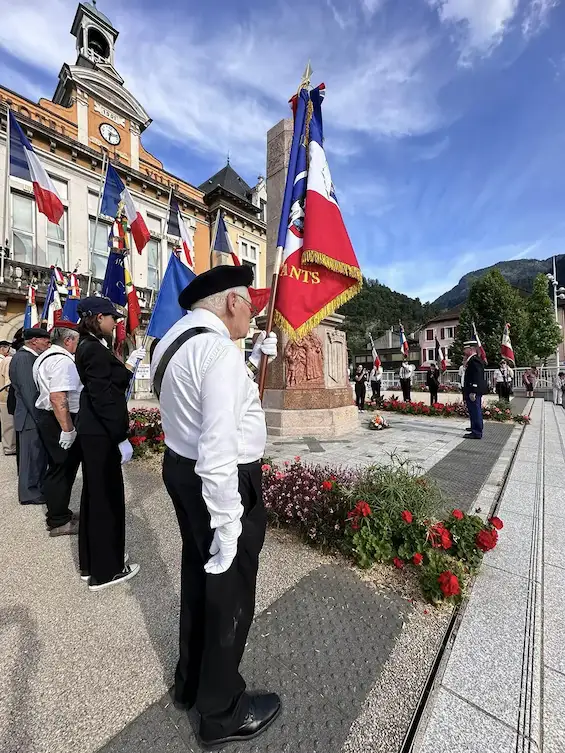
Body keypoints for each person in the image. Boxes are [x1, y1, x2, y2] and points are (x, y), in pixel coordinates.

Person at [152, 265, 281, 748]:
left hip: (180, 470)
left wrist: (249, 360)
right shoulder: (218, 354)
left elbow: (198, 400)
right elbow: (219, 448)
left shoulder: (173, 342)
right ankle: (222, 711)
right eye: (250, 306)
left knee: (198, 576)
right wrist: (229, 523)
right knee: (230, 591)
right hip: (222, 483)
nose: (253, 314)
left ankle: (190, 681)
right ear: (231, 303)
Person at [75, 297, 146, 591]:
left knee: (95, 498)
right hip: (102, 434)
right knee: (106, 501)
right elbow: (104, 398)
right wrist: (120, 437)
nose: (115, 322)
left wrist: (128, 365)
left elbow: (109, 383)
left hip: (95, 432)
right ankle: (107, 571)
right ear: (97, 318)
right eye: (111, 318)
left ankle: (93, 562)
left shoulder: (91, 345)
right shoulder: (92, 349)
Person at [33, 324, 83, 536]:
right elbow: (58, 396)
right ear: (68, 340)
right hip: (59, 419)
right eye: (77, 341)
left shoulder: (44, 357)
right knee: (61, 469)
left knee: (59, 467)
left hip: (49, 417)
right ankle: (58, 520)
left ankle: (60, 511)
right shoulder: (63, 361)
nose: (77, 345)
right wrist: (67, 429)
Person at [9, 328, 51, 504]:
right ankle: (29, 493)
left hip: (31, 416)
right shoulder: (24, 358)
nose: (48, 344)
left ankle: (37, 488)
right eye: (45, 341)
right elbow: (30, 393)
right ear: (34, 341)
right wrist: (40, 418)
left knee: (37, 456)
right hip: (29, 417)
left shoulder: (29, 357)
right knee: (30, 457)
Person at [463, 340, 487, 439]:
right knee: (473, 410)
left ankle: (477, 432)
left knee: (475, 410)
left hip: (473, 390)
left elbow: (476, 376)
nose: (464, 350)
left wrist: (473, 390)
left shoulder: (475, 361)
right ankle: (475, 427)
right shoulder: (471, 360)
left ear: (472, 349)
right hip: (471, 389)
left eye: (466, 348)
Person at [0, 339, 16, 455]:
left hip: (1, 395)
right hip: (4, 395)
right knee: (9, 423)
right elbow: (8, 380)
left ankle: (8, 445)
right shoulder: (7, 360)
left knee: (6, 422)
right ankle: (9, 447)